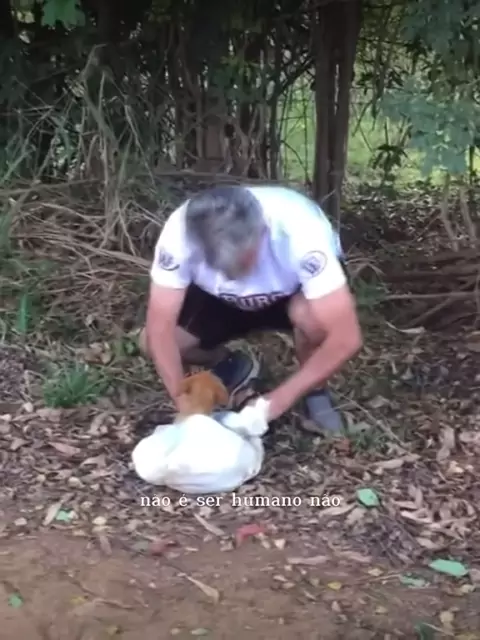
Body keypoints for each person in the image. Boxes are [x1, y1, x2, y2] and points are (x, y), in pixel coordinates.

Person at [140, 184, 362, 436]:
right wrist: (182, 402)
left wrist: (274, 403)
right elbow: (160, 329)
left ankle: (316, 392)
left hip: (290, 292)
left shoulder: (301, 234)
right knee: (151, 342)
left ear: (262, 233)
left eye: (241, 260)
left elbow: (346, 338)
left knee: (314, 322)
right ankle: (230, 364)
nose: (233, 271)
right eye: (219, 263)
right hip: (218, 299)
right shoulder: (180, 233)